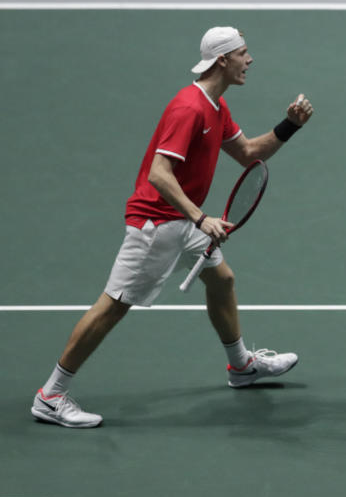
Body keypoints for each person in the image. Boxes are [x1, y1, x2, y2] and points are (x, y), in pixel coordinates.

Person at [31, 26, 314, 428]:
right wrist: (201, 217)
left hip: (183, 219)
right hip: (157, 222)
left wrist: (289, 125)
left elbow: (250, 152)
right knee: (113, 306)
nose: (249, 61)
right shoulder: (189, 108)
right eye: (243, 53)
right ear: (222, 60)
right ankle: (51, 395)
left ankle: (241, 367)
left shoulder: (216, 107)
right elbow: (160, 175)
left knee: (222, 280)